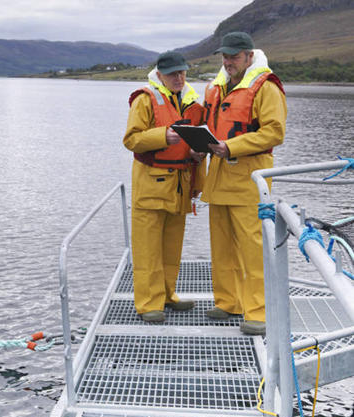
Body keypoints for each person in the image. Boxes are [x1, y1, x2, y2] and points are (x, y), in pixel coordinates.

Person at [201, 32, 286, 336]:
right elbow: (212, 126)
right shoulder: (218, 87)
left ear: (249, 56)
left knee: (253, 249)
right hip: (219, 178)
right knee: (221, 247)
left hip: (249, 179)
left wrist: (232, 147)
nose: (228, 62)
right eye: (225, 56)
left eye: (234, 56)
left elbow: (274, 133)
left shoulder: (267, 87)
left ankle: (259, 312)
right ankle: (228, 302)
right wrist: (201, 143)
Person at [123, 51, 206, 323]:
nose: (178, 77)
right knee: (147, 250)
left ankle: (168, 296)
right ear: (159, 75)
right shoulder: (145, 100)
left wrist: (198, 156)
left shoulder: (192, 102)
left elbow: (196, 142)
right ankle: (149, 304)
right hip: (150, 187)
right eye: (172, 74)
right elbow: (132, 140)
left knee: (172, 248)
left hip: (180, 187)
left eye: (181, 72)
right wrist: (163, 136)